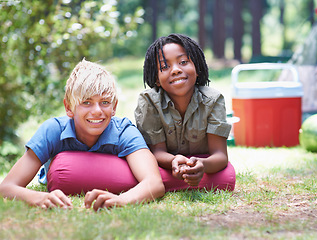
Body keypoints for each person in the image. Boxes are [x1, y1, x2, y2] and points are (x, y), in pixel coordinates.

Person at [0, 59, 165, 211]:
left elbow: (154, 183)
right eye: (86, 102)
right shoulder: (53, 130)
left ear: (114, 106)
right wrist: (40, 197)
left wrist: (121, 200)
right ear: (69, 107)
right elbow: (7, 187)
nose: (97, 111)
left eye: (105, 102)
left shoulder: (124, 131)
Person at [135, 33, 236, 191]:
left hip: (202, 162)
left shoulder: (213, 100)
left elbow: (220, 156)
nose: (175, 70)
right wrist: (174, 161)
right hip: (167, 165)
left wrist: (203, 165)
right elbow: (157, 151)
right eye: (164, 66)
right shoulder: (149, 102)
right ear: (156, 79)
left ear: (197, 69)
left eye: (183, 62)